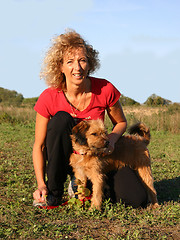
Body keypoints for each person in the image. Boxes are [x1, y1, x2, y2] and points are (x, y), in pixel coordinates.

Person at [33, 30, 148, 208]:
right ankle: (55, 192)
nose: (77, 68)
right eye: (70, 62)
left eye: (82, 60)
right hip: (65, 159)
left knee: (136, 199)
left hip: (98, 158)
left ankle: (85, 184)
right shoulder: (49, 96)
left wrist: (111, 140)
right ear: (60, 67)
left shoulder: (105, 88)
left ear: (90, 63)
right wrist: (41, 184)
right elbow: (39, 146)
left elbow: (121, 123)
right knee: (61, 120)